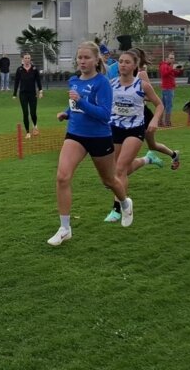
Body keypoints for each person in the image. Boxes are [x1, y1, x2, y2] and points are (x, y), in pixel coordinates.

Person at [47, 41, 134, 246]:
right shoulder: (74, 81)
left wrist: (81, 102)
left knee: (109, 181)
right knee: (62, 177)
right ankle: (64, 228)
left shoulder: (102, 83)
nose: (82, 61)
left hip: (99, 137)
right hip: (75, 135)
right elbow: (74, 105)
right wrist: (66, 113)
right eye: (80, 57)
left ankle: (124, 202)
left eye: (87, 57)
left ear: (96, 60)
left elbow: (104, 115)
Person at [104, 49, 164, 223]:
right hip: (115, 129)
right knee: (119, 169)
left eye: (127, 62)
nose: (123, 64)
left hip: (135, 130)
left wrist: (154, 121)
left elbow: (159, 105)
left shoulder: (142, 85)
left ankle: (119, 209)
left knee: (120, 169)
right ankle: (147, 159)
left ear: (135, 65)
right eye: (121, 61)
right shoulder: (112, 84)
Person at [131, 47, 181, 170]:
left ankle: (172, 155)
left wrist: (137, 97)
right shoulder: (123, 74)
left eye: (129, 60)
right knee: (149, 145)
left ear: (136, 60)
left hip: (142, 114)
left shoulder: (141, 73)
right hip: (128, 115)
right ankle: (174, 154)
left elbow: (150, 96)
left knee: (151, 145)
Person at [12, 53, 43, 139]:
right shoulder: (19, 69)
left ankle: (35, 126)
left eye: (28, 58)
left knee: (33, 113)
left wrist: (40, 91)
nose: (27, 59)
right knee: (25, 113)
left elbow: (38, 81)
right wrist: (14, 94)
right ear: (23, 59)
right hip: (23, 94)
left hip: (33, 94)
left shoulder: (34, 69)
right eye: (25, 58)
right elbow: (16, 82)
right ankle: (28, 132)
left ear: (30, 59)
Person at [158, 52, 183, 127]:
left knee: (164, 105)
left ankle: (161, 122)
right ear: (167, 59)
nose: (172, 60)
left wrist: (180, 70)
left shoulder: (169, 66)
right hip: (167, 88)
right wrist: (172, 69)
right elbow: (164, 73)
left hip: (168, 87)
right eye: (171, 58)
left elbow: (174, 74)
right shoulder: (163, 65)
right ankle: (167, 122)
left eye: (173, 58)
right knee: (168, 105)